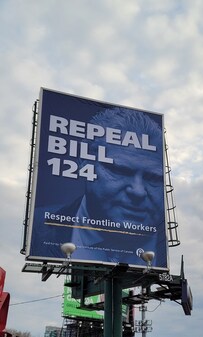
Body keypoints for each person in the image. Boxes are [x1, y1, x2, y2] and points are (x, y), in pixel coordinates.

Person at [29, 106, 168, 269]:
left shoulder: (164, 249)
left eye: (153, 178)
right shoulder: (38, 231)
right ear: (85, 163)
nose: (138, 191)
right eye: (119, 170)